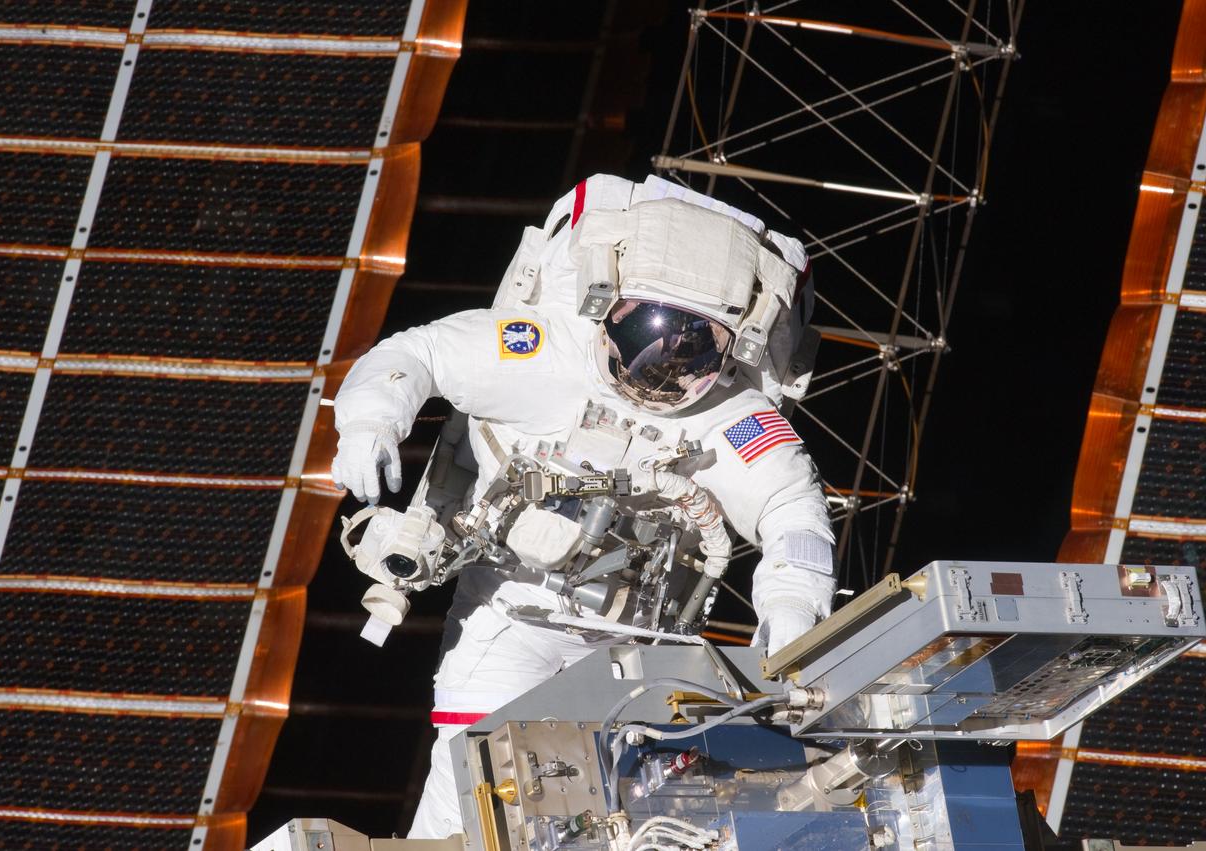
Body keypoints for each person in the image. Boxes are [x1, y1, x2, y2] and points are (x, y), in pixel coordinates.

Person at [330, 175, 836, 839]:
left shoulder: (733, 414)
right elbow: (416, 354)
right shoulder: (541, 348)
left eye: (694, 347)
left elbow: (794, 512)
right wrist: (370, 420)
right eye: (648, 334)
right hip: (510, 610)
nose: (664, 365)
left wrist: (793, 620)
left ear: (732, 347)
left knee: (634, 817)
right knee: (471, 795)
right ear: (606, 307)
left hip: (643, 641)